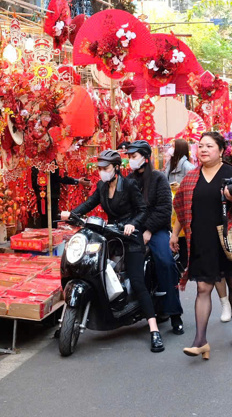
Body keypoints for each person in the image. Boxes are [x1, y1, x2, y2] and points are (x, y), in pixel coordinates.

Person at [61, 150, 165, 352]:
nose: (102, 172)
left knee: (137, 280)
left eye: (106, 168)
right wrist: (71, 214)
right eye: (100, 168)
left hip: (130, 237)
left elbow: (142, 210)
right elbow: (89, 204)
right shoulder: (101, 186)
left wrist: (132, 225)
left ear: (116, 168)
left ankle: (153, 330)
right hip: (110, 234)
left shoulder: (129, 185)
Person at [171, 132, 232, 360]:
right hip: (201, 240)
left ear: (221, 150)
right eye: (200, 146)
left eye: (209, 146)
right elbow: (181, 208)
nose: (203, 150)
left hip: (230, 239)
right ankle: (200, 340)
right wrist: (175, 234)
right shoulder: (191, 177)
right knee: (203, 289)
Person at [124, 140, 183, 335]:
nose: (131, 161)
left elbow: (165, 209)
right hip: (133, 230)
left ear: (145, 157)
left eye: (134, 157)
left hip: (156, 230)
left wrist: (149, 229)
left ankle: (175, 313)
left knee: (165, 262)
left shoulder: (159, 178)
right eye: (129, 157)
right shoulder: (128, 180)